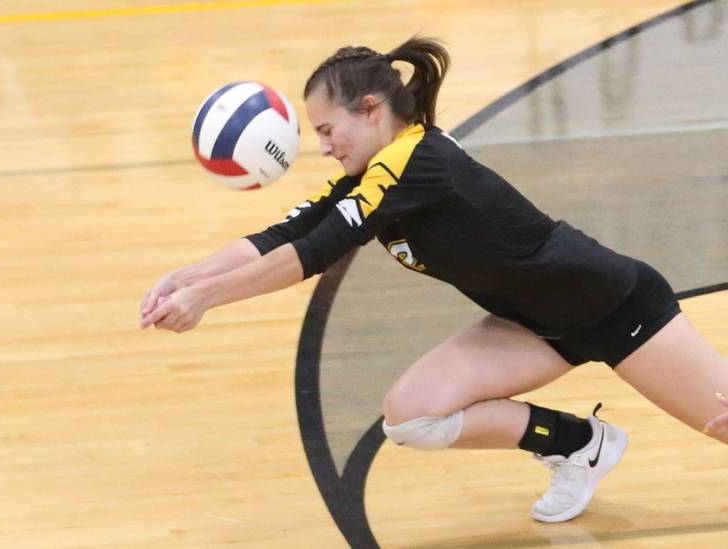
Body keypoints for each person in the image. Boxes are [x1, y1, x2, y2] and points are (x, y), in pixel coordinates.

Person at [139, 37, 728, 523]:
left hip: (617, 308)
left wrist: (205, 300)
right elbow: (284, 233)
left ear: (370, 108)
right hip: (535, 325)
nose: (321, 147)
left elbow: (314, 253)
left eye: (326, 130)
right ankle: (580, 444)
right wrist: (187, 278)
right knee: (413, 417)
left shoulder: (415, 162)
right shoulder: (373, 172)